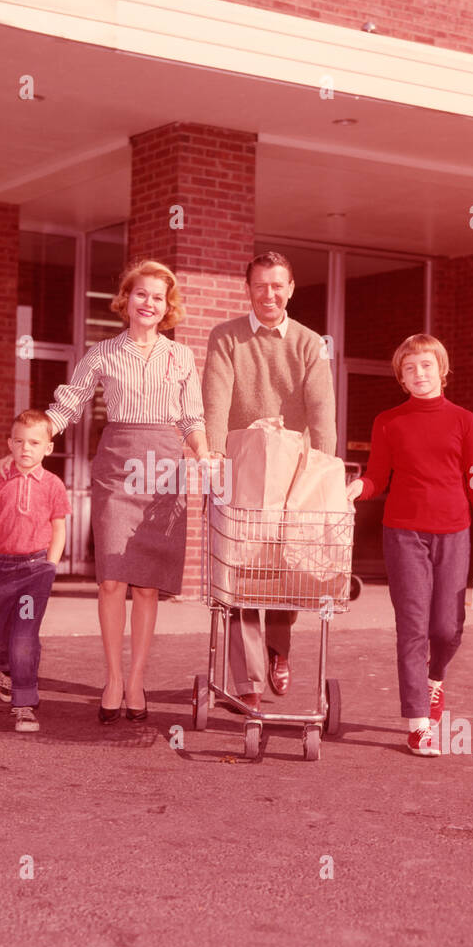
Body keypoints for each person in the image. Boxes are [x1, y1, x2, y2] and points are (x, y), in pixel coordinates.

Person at [12, 260, 210, 723]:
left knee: (145, 585)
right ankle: (113, 678)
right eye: (141, 294)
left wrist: (204, 452)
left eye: (158, 297)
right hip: (117, 466)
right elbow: (69, 405)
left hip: (164, 469)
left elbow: (192, 420)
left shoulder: (180, 357)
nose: (149, 303)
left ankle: (137, 680)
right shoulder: (101, 353)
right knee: (111, 579)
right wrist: (33, 443)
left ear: (167, 306)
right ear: (127, 299)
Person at [347, 333, 473, 756]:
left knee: (446, 627)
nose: (418, 374)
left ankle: (434, 678)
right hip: (403, 534)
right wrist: (357, 487)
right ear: (401, 379)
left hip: (454, 534)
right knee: (413, 627)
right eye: (409, 369)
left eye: (426, 365)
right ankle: (419, 723)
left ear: (442, 370)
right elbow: (378, 478)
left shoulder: (465, 421)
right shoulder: (388, 421)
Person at [201, 251, 337, 709]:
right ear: (248, 289)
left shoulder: (309, 343)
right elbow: (215, 402)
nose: (269, 294)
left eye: (277, 285)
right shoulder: (227, 338)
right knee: (239, 578)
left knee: (285, 572)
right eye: (260, 285)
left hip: (290, 478)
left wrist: (323, 475)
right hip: (240, 472)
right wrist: (215, 459)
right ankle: (249, 685)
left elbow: (322, 413)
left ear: (291, 288)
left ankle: (279, 646)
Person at [0, 409, 70, 734]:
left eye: (34, 442)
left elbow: (59, 529)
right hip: (0, 569)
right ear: (9, 445)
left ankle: (25, 704)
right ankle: (3, 670)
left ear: (48, 448)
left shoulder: (54, 486)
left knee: (24, 638)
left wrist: (50, 566)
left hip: (35, 572)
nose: (25, 448)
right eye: (19, 441)